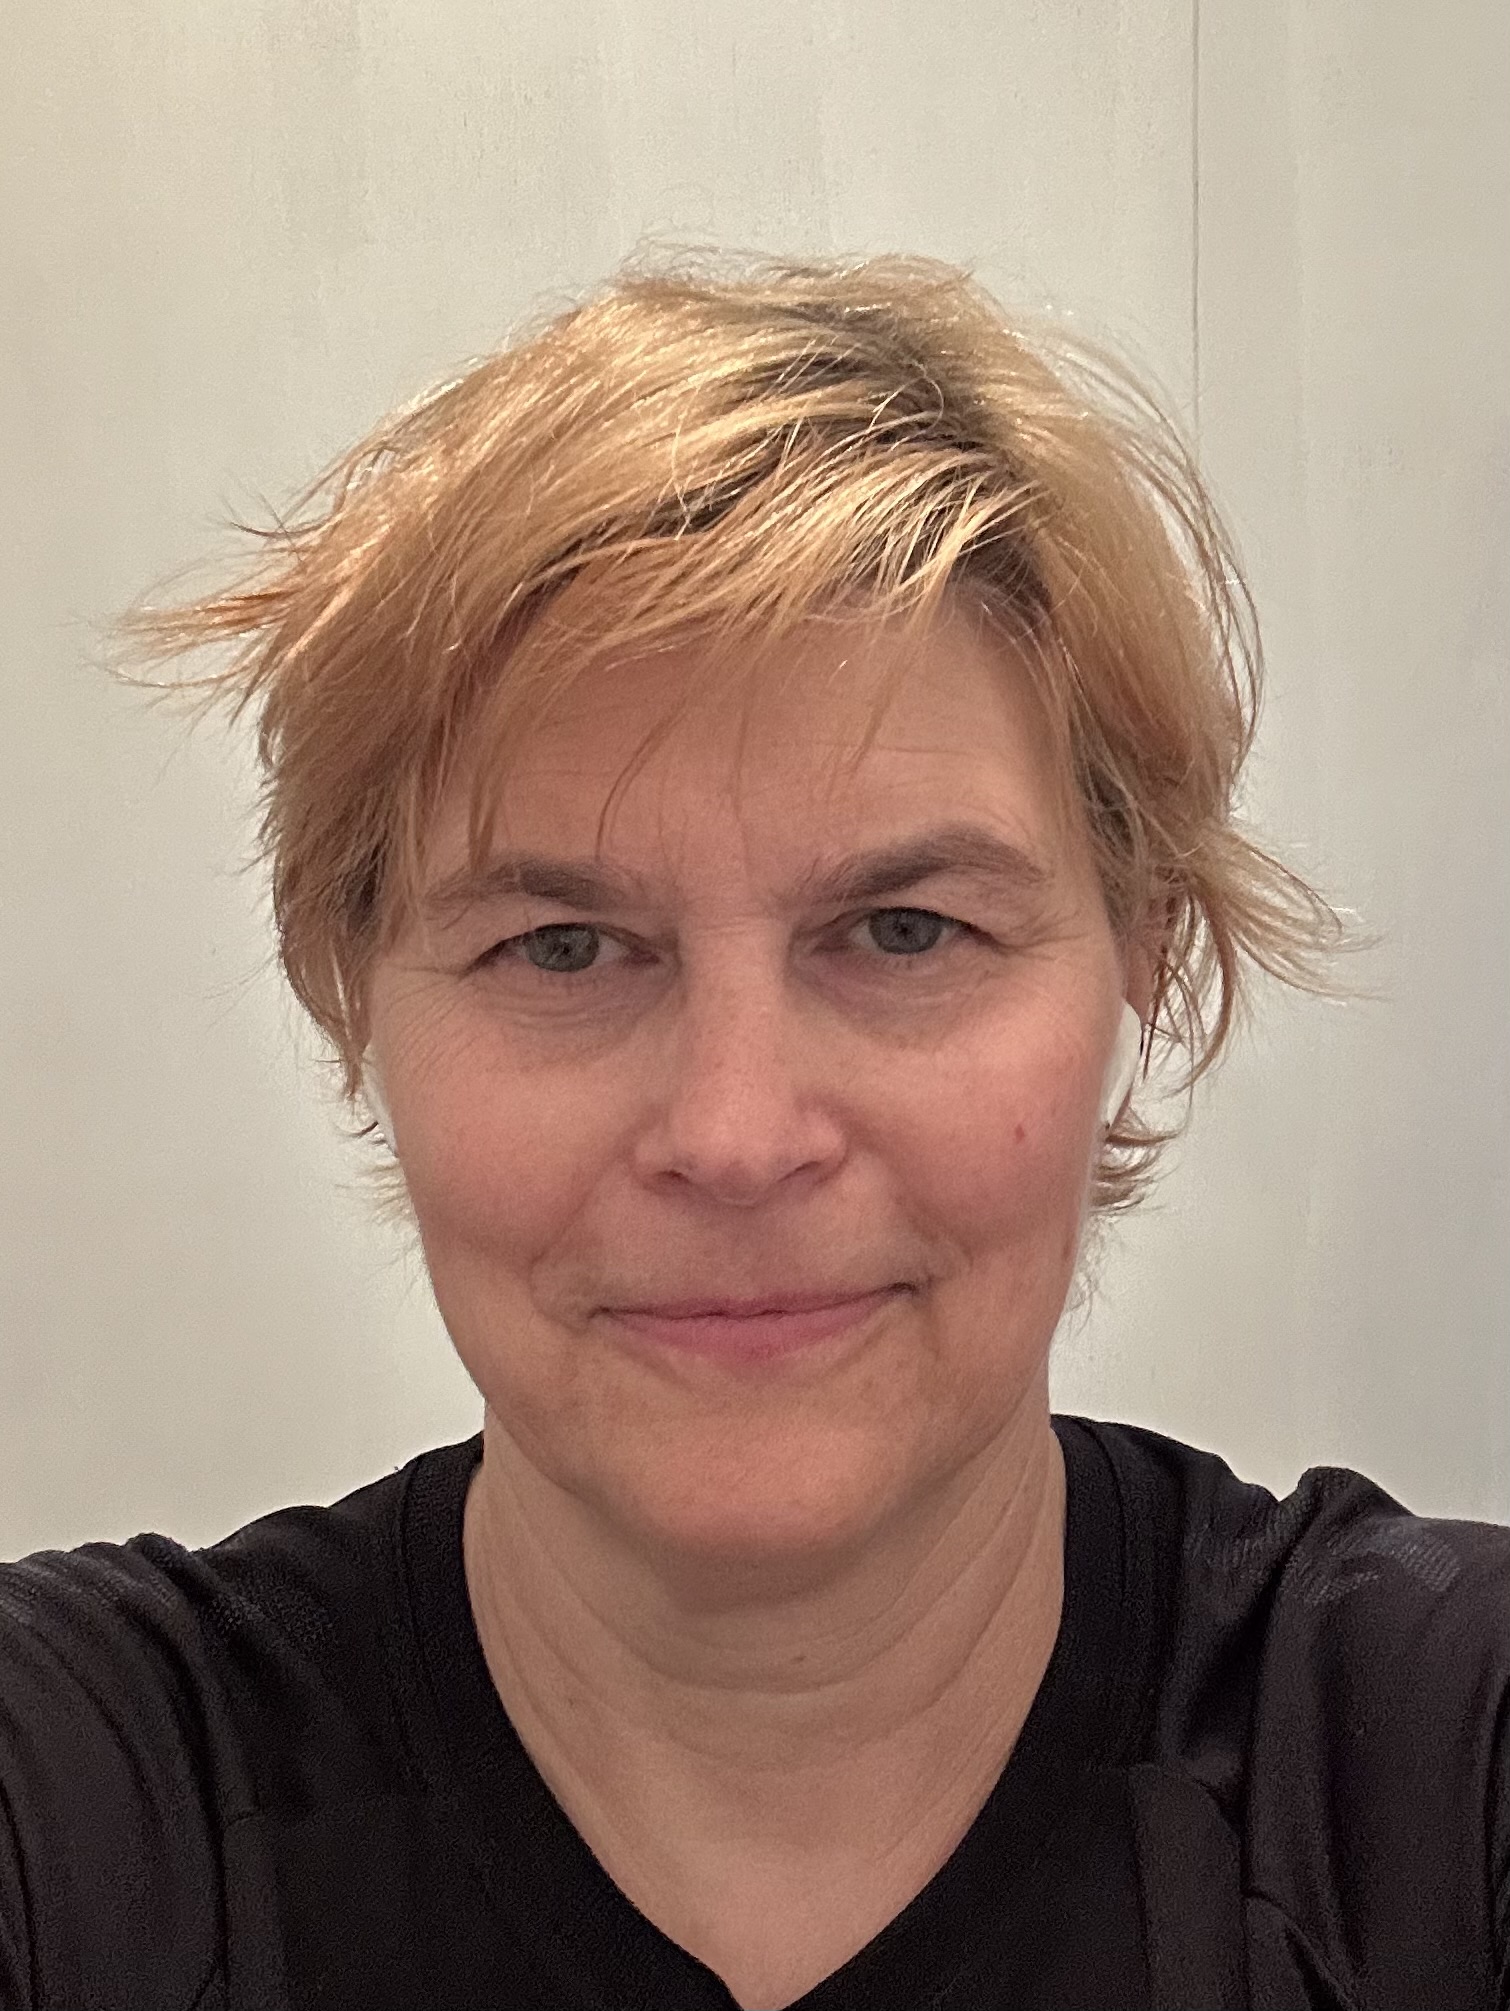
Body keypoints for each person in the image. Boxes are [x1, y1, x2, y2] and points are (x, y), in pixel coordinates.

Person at [1, 251, 1506, 2011]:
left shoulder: (1429, 1759)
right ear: (351, 995)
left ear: (1142, 962)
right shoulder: (86, 1803)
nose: (732, 1135)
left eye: (904, 931)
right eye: (561, 948)